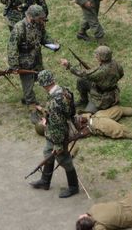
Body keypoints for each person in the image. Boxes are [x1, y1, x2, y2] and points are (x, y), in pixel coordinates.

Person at [29, 70, 79, 198]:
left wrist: (58, 144)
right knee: (47, 152)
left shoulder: (54, 102)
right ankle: (45, 181)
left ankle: (73, 187)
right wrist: (47, 115)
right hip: (55, 131)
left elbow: (57, 126)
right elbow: (71, 109)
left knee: (64, 159)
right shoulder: (64, 90)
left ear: (44, 84)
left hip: (58, 135)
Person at [7, 4, 59, 107]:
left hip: (37, 59)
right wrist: (14, 66)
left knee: (44, 78)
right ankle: (32, 107)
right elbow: (12, 48)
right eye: (40, 18)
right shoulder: (19, 28)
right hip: (25, 64)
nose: (42, 20)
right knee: (28, 86)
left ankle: (54, 97)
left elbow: (44, 37)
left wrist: (53, 44)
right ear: (31, 17)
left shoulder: (39, 24)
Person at [33, 102, 132, 142]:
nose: (44, 119)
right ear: (45, 127)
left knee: (118, 110)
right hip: (94, 125)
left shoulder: (54, 122)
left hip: (94, 116)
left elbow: (55, 112)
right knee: (121, 130)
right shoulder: (58, 132)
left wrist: (41, 109)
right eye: (43, 121)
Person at [61, 46, 123, 114]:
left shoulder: (101, 72)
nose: (96, 56)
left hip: (102, 99)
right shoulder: (115, 63)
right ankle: (84, 100)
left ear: (103, 57)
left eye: (97, 55)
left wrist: (69, 66)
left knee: (87, 115)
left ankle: (106, 107)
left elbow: (84, 74)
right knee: (81, 81)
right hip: (110, 91)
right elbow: (121, 74)